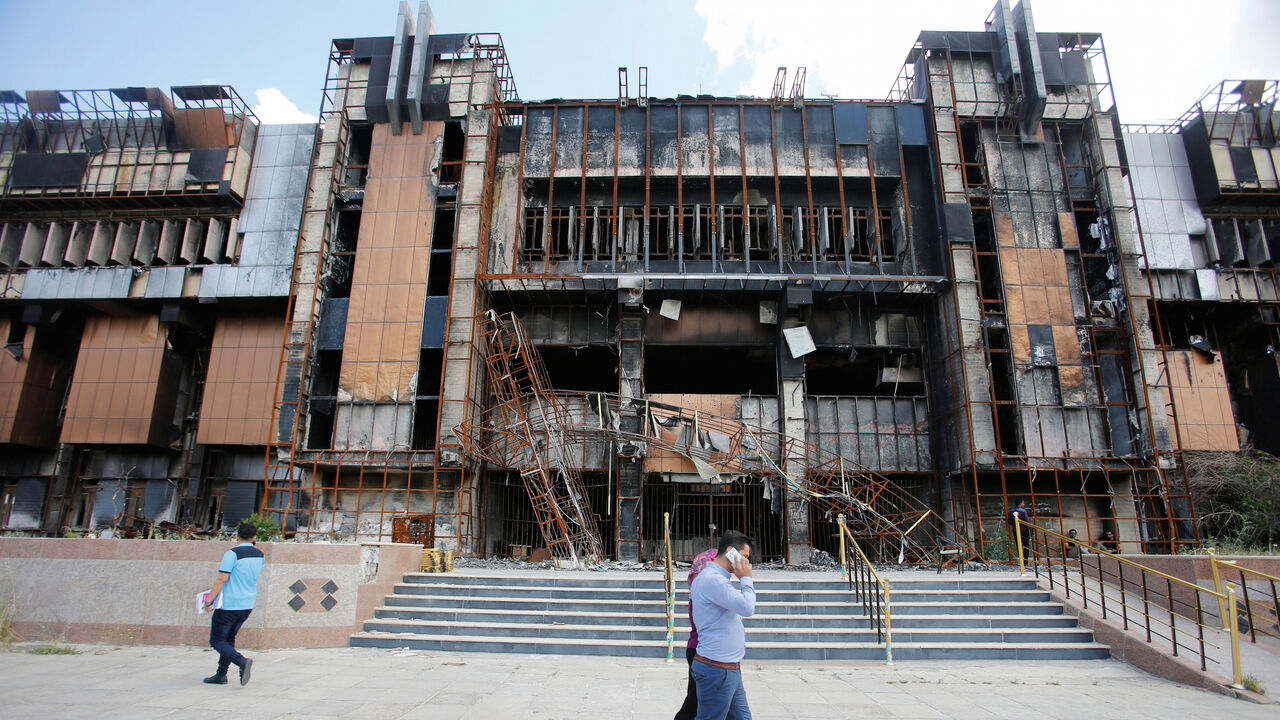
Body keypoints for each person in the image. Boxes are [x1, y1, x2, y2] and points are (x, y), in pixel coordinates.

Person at [689, 531, 756, 720]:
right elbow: (747, 607)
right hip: (718, 668)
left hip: (727, 667)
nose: (746, 563)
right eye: (744, 556)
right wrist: (746, 578)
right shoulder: (713, 580)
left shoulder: (717, 579)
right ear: (730, 551)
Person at [202, 522, 265, 686]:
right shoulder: (260, 555)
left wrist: (209, 600)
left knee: (217, 640)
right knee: (228, 638)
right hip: (247, 603)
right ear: (254, 537)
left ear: (237, 536)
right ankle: (221, 674)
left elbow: (222, 578)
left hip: (229, 603)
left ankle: (241, 661)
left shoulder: (232, 554)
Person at [674, 547, 718, 720]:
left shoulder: (698, 595)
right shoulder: (704, 597)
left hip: (702, 651)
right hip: (703, 651)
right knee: (694, 703)